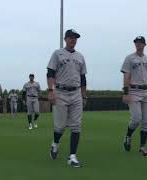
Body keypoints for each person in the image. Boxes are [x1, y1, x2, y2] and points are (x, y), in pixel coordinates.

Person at [47, 29, 87, 168]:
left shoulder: (80, 56)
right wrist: (51, 91)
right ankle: (55, 144)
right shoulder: (57, 54)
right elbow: (50, 73)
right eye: (71, 37)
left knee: (76, 125)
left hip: (76, 93)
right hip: (61, 92)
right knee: (60, 126)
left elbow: (83, 77)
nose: (73, 40)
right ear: (65, 39)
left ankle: (72, 156)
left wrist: (84, 94)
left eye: (75, 38)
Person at [121, 36, 147, 157]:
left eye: (141, 43)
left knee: (146, 121)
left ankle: (143, 147)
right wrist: (126, 93)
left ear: (144, 45)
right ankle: (128, 135)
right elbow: (126, 76)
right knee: (136, 118)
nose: (138, 45)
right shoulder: (129, 58)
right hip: (134, 90)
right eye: (137, 43)